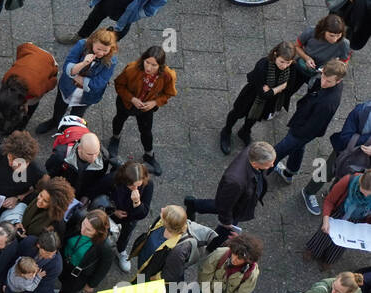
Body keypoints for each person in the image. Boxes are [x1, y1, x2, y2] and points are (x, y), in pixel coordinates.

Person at [184, 142, 275, 250]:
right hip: (236, 207)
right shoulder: (235, 181)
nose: (272, 165)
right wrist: (226, 222)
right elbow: (225, 205)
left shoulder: (255, 150)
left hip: (238, 199)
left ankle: (193, 204)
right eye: (269, 163)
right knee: (224, 230)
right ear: (255, 164)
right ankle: (211, 247)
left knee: (217, 205)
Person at [34, 29, 118, 134]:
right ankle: (55, 122)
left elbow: (99, 83)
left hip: (87, 95)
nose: (101, 53)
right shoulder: (82, 45)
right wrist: (83, 63)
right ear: (92, 42)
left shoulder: (112, 60)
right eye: (98, 49)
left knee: (77, 114)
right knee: (59, 106)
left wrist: (77, 77)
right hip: (68, 86)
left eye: (105, 50)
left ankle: (69, 128)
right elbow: (67, 67)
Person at [109, 47, 177, 176]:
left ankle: (149, 154)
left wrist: (155, 102)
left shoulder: (168, 75)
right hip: (127, 103)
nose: (149, 68)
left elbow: (169, 93)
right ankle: (115, 138)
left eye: (154, 65)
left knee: (146, 131)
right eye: (147, 62)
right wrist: (132, 99)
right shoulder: (132, 69)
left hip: (147, 108)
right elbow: (119, 85)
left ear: (160, 65)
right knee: (119, 119)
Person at [220, 42, 297, 153]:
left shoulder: (292, 67)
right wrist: (280, 88)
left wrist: (271, 90)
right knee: (237, 113)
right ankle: (226, 131)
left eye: (288, 62)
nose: (284, 66)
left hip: (268, 102)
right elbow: (263, 94)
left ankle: (244, 132)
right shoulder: (263, 65)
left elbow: (290, 87)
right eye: (282, 61)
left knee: (254, 117)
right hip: (250, 96)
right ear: (275, 54)